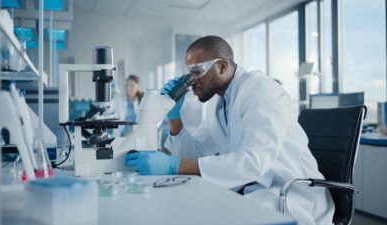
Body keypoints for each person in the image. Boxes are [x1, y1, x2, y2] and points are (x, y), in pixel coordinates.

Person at [124, 36, 334, 225]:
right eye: (188, 74)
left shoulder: (261, 90)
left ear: (222, 67)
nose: (191, 82)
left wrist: (173, 165)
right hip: (253, 189)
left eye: (196, 71)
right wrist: (175, 118)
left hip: (289, 194)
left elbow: (253, 161)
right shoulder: (220, 104)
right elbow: (198, 154)